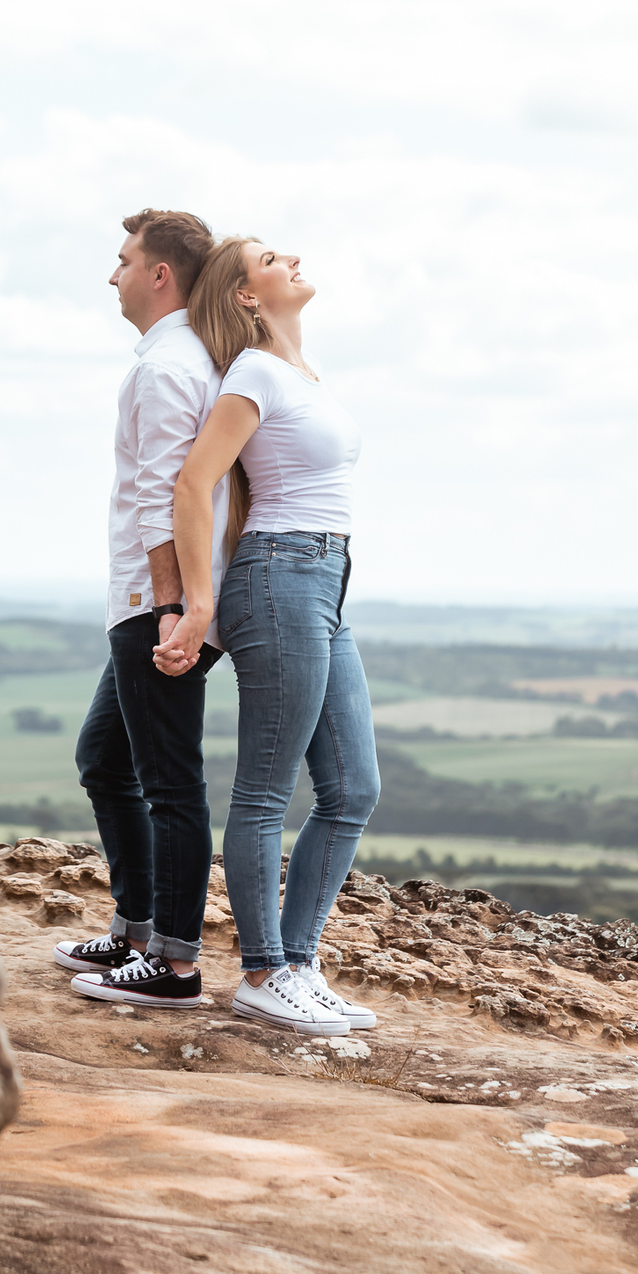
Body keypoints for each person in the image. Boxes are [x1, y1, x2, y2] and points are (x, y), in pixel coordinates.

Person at [154, 237, 380, 1035]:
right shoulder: (253, 371)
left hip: (324, 579)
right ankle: (263, 973)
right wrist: (197, 604)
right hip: (280, 577)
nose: (290, 258)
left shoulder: (299, 374)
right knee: (265, 791)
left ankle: (299, 962)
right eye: (269, 257)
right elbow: (193, 482)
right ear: (246, 296)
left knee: (353, 788)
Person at [54, 209, 228, 1009]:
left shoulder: (167, 368)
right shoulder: (187, 360)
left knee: (168, 780)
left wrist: (170, 607)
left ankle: (174, 964)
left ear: (160, 275)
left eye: (124, 260)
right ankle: (135, 929)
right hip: (158, 597)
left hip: (156, 601)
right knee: (104, 756)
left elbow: (164, 495)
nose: (112, 274)